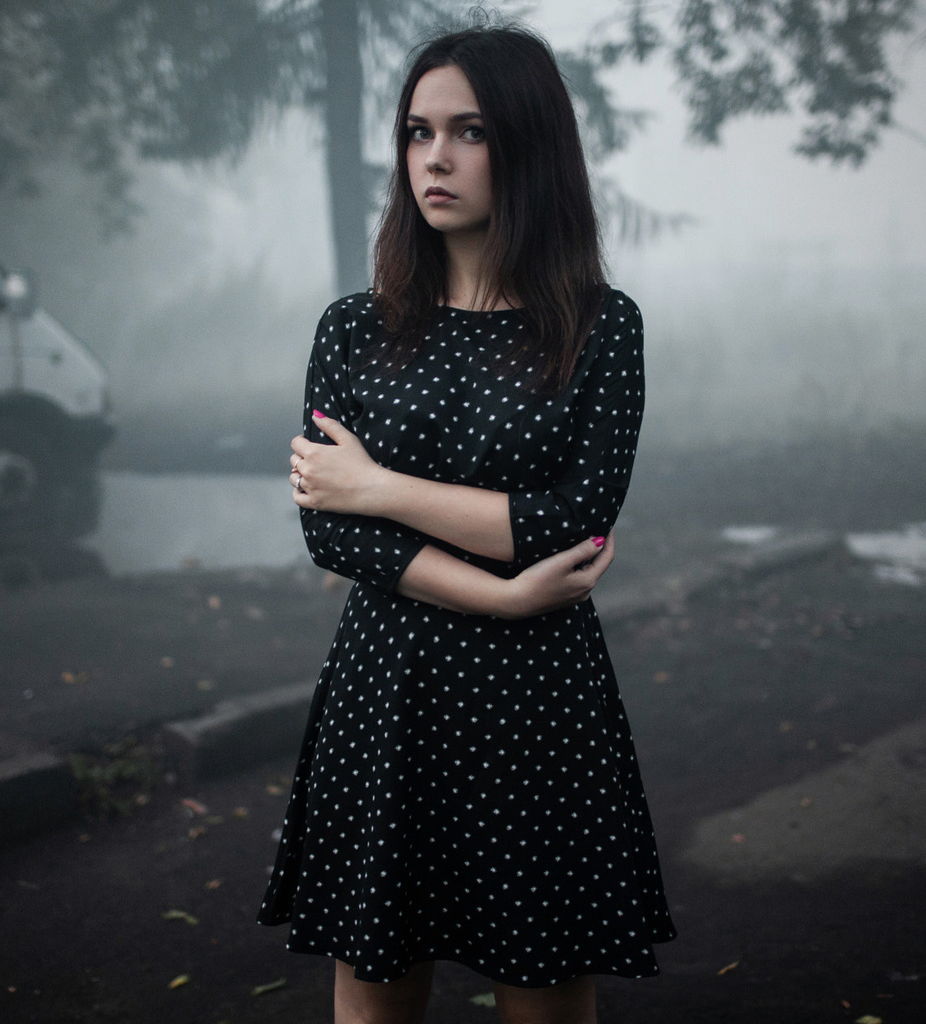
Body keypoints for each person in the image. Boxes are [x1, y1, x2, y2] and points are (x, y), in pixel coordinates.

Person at [258, 23, 675, 1024]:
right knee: (374, 982)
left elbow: (568, 522)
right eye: (415, 132)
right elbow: (330, 530)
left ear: (526, 145)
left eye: (468, 131)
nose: (432, 159)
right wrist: (496, 588)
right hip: (389, 689)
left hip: (535, 706)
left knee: (536, 985)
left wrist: (381, 487)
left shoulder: (596, 325)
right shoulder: (353, 326)